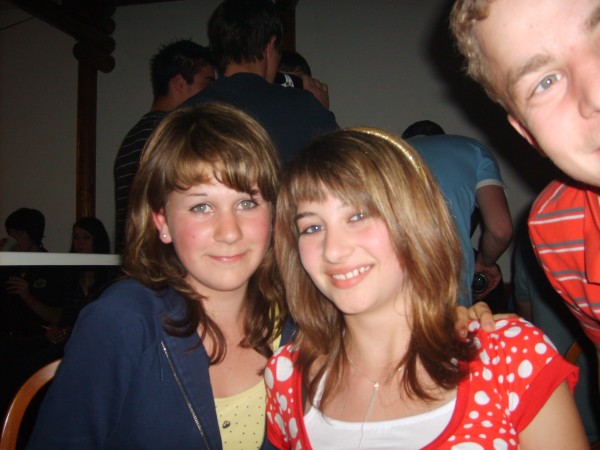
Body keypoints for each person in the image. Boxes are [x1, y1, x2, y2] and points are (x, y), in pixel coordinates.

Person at [265, 128, 586, 449]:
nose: (333, 250)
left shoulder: (510, 358)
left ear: (413, 222)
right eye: (312, 227)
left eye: (358, 215)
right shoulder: (285, 377)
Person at [27, 103, 291, 450]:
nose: (229, 232)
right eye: (201, 206)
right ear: (162, 222)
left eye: (246, 203)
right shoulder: (121, 320)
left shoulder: (300, 321)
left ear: (273, 212)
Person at [450, 0, 600, 383]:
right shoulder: (557, 227)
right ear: (529, 135)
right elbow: (500, 227)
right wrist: (485, 267)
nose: (595, 94)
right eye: (545, 82)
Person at [181, 0, 338, 163]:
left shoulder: (183, 116)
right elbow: (345, 168)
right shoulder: (304, 108)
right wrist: (322, 112)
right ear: (270, 46)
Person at [113, 39, 215, 253]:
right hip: (161, 261)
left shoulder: (136, 134)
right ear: (179, 83)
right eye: (206, 85)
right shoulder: (170, 136)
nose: (212, 94)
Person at [403, 120, 512, 307]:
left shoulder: (384, 153)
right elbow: (500, 230)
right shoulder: (473, 150)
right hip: (452, 288)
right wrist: (485, 263)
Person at [0, 208, 64, 418]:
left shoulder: (51, 266)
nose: (13, 239)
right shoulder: (7, 264)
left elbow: (58, 317)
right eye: (10, 234)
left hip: (36, 349)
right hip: (7, 346)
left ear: (29, 234)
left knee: (28, 411)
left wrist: (27, 296)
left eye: (17, 233)